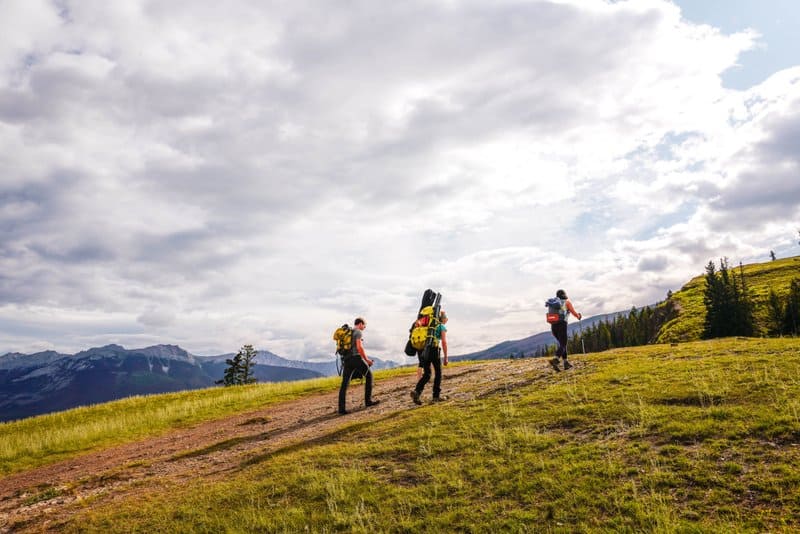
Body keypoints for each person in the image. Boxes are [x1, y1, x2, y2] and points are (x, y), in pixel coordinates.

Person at [338, 317, 380, 415]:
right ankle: (368, 401)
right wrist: (367, 360)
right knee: (369, 376)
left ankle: (341, 409)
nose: (365, 327)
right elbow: (359, 347)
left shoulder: (349, 332)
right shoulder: (358, 332)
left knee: (345, 384)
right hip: (356, 358)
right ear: (360, 324)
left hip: (347, 360)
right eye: (364, 325)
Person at [411, 310, 448, 404]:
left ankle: (417, 392)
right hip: (434, 350)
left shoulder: (427, 325)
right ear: (442, 318)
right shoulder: (441, 326)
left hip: (424, 350)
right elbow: (444, 342)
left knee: (427, 374)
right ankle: (436, 396)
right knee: (438, 372)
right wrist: (446, 357)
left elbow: (417, 325)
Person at [549, 289, 581, 371]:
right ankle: (555, 359)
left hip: (553, 326)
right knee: (563, 345)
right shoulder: (566, 302)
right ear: (564, 295)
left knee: (562, 344)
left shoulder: (552, 304)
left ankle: (566, 363)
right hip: (562, 325)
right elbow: (574, 312)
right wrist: (578, 316)